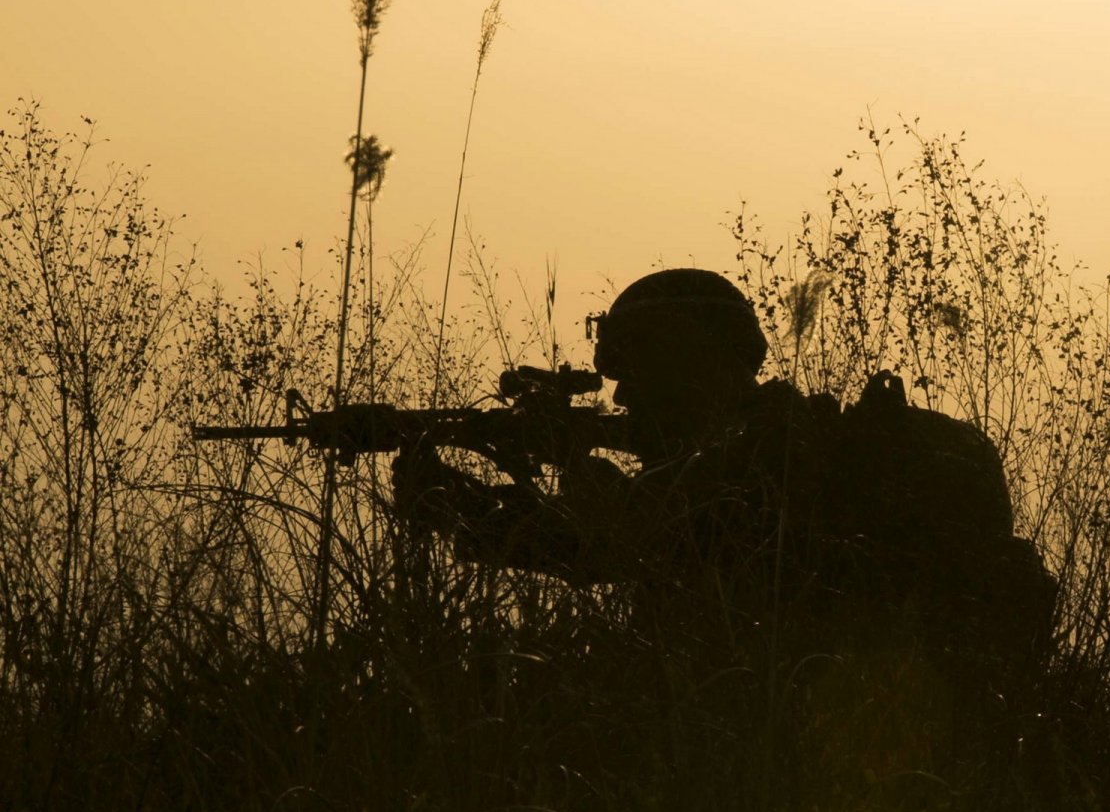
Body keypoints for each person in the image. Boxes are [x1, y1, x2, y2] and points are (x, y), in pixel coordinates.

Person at [393, 267, 1055, 676]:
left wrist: (538, 469)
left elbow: (617, 539)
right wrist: (455, 497)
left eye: (640, 379)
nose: (621, 401)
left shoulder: (767, 454)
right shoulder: (778, 439)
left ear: (689, 366)